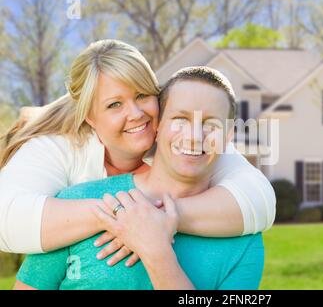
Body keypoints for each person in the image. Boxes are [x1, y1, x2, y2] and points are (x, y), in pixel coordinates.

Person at [0, 40, 275, 267]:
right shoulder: (59, 147)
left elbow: (260, 201)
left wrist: (159, 218)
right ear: (90, 118)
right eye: (115, 105)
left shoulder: (180, 139)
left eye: (142, 95)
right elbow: (6, 220)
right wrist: (122, 216)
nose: (136, 114)